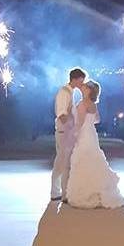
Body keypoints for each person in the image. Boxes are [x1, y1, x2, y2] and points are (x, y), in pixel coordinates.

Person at [66, 81, 124, 209]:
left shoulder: (82, 104)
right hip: (91, 133)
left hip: (84, 134)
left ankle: (86, 193)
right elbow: (97, 119)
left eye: (85, 87)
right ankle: (96, 189)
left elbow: (79, 123)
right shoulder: (93, 104)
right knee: (93, 158)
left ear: (89, 91)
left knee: (83, 159)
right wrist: (89, 121)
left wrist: (73, 135)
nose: (83, 88)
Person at [50, 68, 86, 201]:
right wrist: (70, 129)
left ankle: (59, 191)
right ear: (75, 79)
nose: (83, 82)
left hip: (66, 131)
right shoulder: (64, 92)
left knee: (63, 161)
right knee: (62, 162)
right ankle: (59, 192)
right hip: (64, 131)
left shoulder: (70, 92)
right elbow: (62, 114)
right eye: (82, 79)